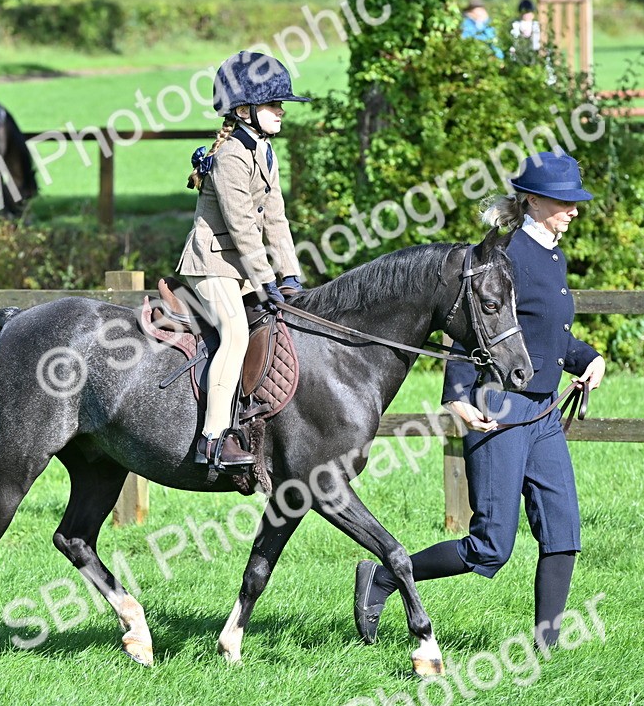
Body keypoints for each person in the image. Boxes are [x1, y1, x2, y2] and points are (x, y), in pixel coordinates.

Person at [353, 151, 607, 650]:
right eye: (564, 201)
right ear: (533, 200)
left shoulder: (554, 252)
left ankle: (546, 649)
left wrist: (587, 357)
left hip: (543, 412)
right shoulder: (503, 255)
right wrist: (457, 395)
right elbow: (472, 324)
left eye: (576, 201)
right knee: (491, 548)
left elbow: (545, 331)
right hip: (499, 410)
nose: (574, 210)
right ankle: (383, 578)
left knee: (563, 531)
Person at [178, 51, 309, 472]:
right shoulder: (232, 156)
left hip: (241, 269)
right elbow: (241, 228)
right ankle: (213, 439)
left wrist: (290, 274)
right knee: (234, 335)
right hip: (211, 264)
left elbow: (275, 218)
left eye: (280, 105)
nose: (281, 111)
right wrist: (266, 280)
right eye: (274, 104)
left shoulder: (265, 151)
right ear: (243, 109)